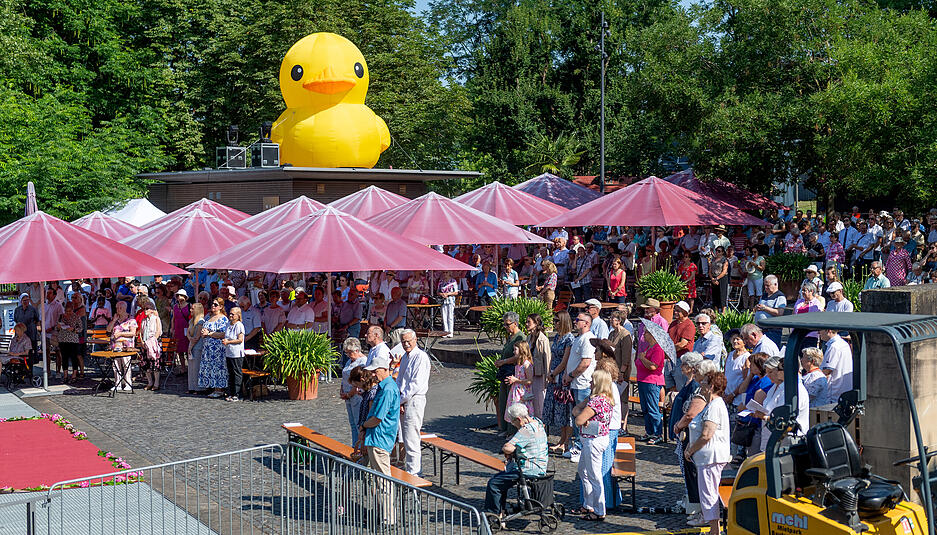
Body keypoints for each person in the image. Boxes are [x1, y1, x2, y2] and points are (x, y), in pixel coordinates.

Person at [484, 403, 549, 528]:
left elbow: (507, 447)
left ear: (518, 419)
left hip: (528, 469)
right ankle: (500, 512)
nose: (514, 426)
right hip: (540, 465)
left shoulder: (526, 430)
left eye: (513, 423)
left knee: (494, 483)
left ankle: (494, 515)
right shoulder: (538, 422)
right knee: (501, 478)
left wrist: (508, 452)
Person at [671, 356, 717, 524]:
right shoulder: (696, 387)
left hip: (696, 439)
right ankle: (698, 508)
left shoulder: (701, 390)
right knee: (691, 474)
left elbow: (691, 414)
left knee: (698, 477)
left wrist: (679, 425)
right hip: (689, 434)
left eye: (698, 371)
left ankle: (703, 512)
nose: (695, 373)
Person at [684, 371, 731, 532]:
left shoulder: (715, 406)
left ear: (710, 386)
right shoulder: (712, 405)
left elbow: (706, 435)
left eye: (703, 383)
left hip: (711, 457)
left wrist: (690, 450)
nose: (700, 386)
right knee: (708, 492)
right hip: (708, 457)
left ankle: (714, 530)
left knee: (708, 494)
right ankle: (714, 528)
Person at [361, 353, 401, 526]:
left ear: (384, 369)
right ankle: (383, 514)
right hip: (377, 437)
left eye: (375, 371)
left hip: (380, 438)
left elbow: (378, 417)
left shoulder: (388, 389)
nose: (373, 375)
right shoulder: (386, 386)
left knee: (384, 481)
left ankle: (388, 518)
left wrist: (364, 426)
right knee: (380, 480)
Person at [571, 369, 615, 521]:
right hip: (598, 438)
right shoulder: (606, 399)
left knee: (594, 476)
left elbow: (577, 419)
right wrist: (580, 414)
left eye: (592, 381)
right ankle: (588, 504)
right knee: (583, 471)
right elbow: (577, 411)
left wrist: (580, 415)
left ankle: (598, 510)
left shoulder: (596, 401)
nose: (590, 383)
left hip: (593, 441)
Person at [755, 356, 810, 452]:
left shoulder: (796, 390)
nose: (777, 372)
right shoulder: (778, 387)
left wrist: (763, 417)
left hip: (788, 440)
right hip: (773, 437)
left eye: (779, 369)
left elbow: (785, 418)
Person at [395, 329, 431, 475]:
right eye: (403, 341)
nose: (406, 344)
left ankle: (414, 472)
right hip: (405, 399)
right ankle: (411, 469)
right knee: (405, 437)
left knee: (411, 438)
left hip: (415, 399)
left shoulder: (421, 357)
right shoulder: (405, 357)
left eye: (409, 341)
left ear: (415, 340)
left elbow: (414, 384)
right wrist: (399, 400)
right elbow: (400, 380)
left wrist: (400, 400)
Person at [562, 313, 597, 459]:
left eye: (578, 320)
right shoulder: (578, 338)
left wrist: (571, 375)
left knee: (583, 416)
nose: (575, 322)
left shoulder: (588, 339)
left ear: (586, 323)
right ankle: (578, 444)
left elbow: (585, 363)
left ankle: (583, 447)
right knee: (575, 414)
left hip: (582, 383)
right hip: (575, 383)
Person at [636, 318, 673, 444]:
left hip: (652, 381)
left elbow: (653, 366)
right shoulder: (648, 348)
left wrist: (642, 358)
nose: (644, 334)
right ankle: (649, 431)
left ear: (652, 335)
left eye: (646, 332)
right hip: (642, 380)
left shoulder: (658, 349)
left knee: (652, 408)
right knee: (645, 409)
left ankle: (658, 433)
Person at [544, 311, 575, 455]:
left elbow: (565, 361)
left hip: (562, 376)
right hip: (553, 375)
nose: (555, 323)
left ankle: (566, 441)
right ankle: (561, 440)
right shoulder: (557, 337)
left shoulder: (569, 338)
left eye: (557, 320)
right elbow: (552, 356)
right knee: (558, 410)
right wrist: (549, 372)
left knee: (565, 410)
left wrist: (554, 373)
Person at [733, 352, 773, 458]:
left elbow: (759, 401)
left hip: (757, 422)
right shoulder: (755, 378)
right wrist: (750, 375)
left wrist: (744, 407)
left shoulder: (766, 381)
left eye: (752, 364)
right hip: (748, 421)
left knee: (754, 454)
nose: (750, 366)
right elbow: (742, 390)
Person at [495, 312, 526, 435]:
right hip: (505, 371)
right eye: (504, 324)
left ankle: (512, 430)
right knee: (503, 399)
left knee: (511, 400)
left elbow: (518, 355)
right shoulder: (510, 336)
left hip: (513, 372)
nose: (505, 327)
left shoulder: (520, 337)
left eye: (507, 324)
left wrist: (503, 361)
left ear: (515, 323)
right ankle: (505, 428)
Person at [199, 298, 230, 399]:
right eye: (212, 304)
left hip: (217, 348)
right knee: (210, 367)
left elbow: (224, 334)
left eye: (215, 304)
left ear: (221, 307)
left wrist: (210, 333)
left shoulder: (223, 319)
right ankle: (212, 387)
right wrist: (204, 333)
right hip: (208, 347)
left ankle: (219, 389)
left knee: (218, 368)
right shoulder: (208, 317)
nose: (213, 306)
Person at [340, 337, 368, 443]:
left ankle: (360, 447)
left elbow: (358, 382)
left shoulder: (362, 362)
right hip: (348, 395)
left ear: (356, 350)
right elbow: (345, 377)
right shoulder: (350, 361)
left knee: (358, 422)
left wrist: (349, 394)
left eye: (349, 353)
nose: (348, 355)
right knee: (352, 423)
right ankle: (355, 445)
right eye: (346, 353)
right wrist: (342, 389)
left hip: (355, 396)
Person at [108, 301, 137, 391]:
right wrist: (113, 320)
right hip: (115, 346)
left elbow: (133, 333)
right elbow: (108, 330)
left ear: (125, 308)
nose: (118, 310)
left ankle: (128, 383)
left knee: (126, 364)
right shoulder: (116, 320)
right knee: (116, 366)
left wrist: (120, 334)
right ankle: (118, 384)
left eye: (120, 308)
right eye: (117, 308)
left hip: (126, 347)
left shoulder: (131, 320)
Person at [526, 314, 551, 418]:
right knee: (530, 402)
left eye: (529, 322)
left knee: (539, 402)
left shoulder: (543, 339)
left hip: (539, 375)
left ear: (536, 324)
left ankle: (541, 426)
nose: (527, 324)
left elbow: (547, 359)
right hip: (529, 374)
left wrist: (547, 379)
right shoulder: (529, 337)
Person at [819, 328, 853, 404]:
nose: (819, 333)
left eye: (820, 330)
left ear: (828, 331)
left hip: (835, 393)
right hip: (844, 391)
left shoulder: (834, 347)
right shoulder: (843, 344)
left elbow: (827, 371)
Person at [667, 301, 696, 391]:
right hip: (670, 359)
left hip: (681, 360)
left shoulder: (689, 325)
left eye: (678, 311)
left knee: (681, 386)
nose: (675, 312)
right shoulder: (673, 324)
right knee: (669, 385)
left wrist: (668, 350)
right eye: (675, 310)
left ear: (685, 312)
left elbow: (682, 344)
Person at [754, 275, 787, 348]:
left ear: (775, 284)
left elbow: (779, 313)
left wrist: (764, 308)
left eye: (768, 285)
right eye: (765, 285)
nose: (766, 287)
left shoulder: (780, 296)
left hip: (772, 330)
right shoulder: (764, 295)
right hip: (761, 329)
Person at [220, 307, 245, 402]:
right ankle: (231, 392)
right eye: (230, 313)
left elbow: (240, 339)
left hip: (236, 353)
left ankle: (237, 394)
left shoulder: (239, 325)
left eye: (233, 314)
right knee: (230, 373)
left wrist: (229, 342)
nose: (230, 315)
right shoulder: (228, 324)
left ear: (238, 316)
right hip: (229, 352)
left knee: (237, 373)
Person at [506, 340, 534, 420]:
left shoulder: (526, 364)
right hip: (516, 391)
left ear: (522, 350)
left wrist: (516, 380)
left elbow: (530, 381)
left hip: (523, 392)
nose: (513, 352)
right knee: (515, 414)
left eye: (515, 349)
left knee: (522, 414)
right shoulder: (519, 363)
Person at [139, 301, 163, 391]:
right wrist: (142, 342)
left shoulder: (156, 319)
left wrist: (151, 342)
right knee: (145, 363)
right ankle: (150, 382)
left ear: (152, 310)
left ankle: (156, 383)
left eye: (147, 308)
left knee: (155, 363)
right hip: (145, 344)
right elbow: (141, 332)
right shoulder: (143, 320)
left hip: (153, 343)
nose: (145, 310)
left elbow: (158, 331)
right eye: (144, 308)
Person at [57, 302, 83, 384]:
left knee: (73, 357)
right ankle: (65, 375)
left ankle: (74, 374)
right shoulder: (61, 316)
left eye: (69, 311)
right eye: (66, 311)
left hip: (73, 339)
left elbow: (81, 328)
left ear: (72, 310)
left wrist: (73, 329)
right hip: (63, 339)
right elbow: (57, 327)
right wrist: (58, 327)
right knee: (64, 357)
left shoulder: (76, 317)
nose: (68, 313)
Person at [186, 303, 206, 394]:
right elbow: (188, 333)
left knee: (197, 367)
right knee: (191, 368)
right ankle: (191, 387)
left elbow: (197, 337)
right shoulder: (191, 321)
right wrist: (190, 340)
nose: (191, 310)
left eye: (193, 309)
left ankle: (199, 388)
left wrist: (191, 345)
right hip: (191, 345)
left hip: (197, 347)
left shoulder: (201, 322)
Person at [172, 290, 191, 373]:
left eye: (181, 295)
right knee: (179, 350)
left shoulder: (189, 306)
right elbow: (173, 319)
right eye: (178, 295)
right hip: (178, 329)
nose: (179, 297)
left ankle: (189, 367)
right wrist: (172, 329)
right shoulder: (175, 306)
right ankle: (183, 367)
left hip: (187, 329)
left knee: (187, 349)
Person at [438, 271, 459, 337]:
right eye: (444, 272)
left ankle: (450, 332)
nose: (445, 274)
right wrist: (441, 294)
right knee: (444, 316)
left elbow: (456, 292)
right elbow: (438, 291)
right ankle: (445, 331)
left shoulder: (453, 281)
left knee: (450, 316)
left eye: (446, 272)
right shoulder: (441, 281)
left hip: (450, 300)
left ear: (449, 273)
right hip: (443, 301)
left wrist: (448, 294)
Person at [709, 246, 729, 313]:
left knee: (722, 295)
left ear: (723, 252)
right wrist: (712, 278)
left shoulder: (724, 260)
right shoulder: (713, 259)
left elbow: (724, 271)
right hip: (714, 278)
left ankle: (723, 312)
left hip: (722, 279)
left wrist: (717, 278)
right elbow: (710, 270)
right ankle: (716, 312)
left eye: (719, 251)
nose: (717, 252)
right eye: (716, 250)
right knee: (715, 295)